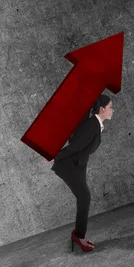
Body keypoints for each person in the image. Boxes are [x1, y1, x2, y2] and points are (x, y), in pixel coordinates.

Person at [48, 94, 114, 252]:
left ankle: (78, 235)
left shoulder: (94, 124)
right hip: (70, 165)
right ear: (102, 109)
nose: (113, 110)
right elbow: (75, 146)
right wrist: (55, 156)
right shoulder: (92, 124)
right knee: (84, 197)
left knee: (83, 197)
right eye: (111, 107)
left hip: (78, 165)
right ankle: (79, 236)